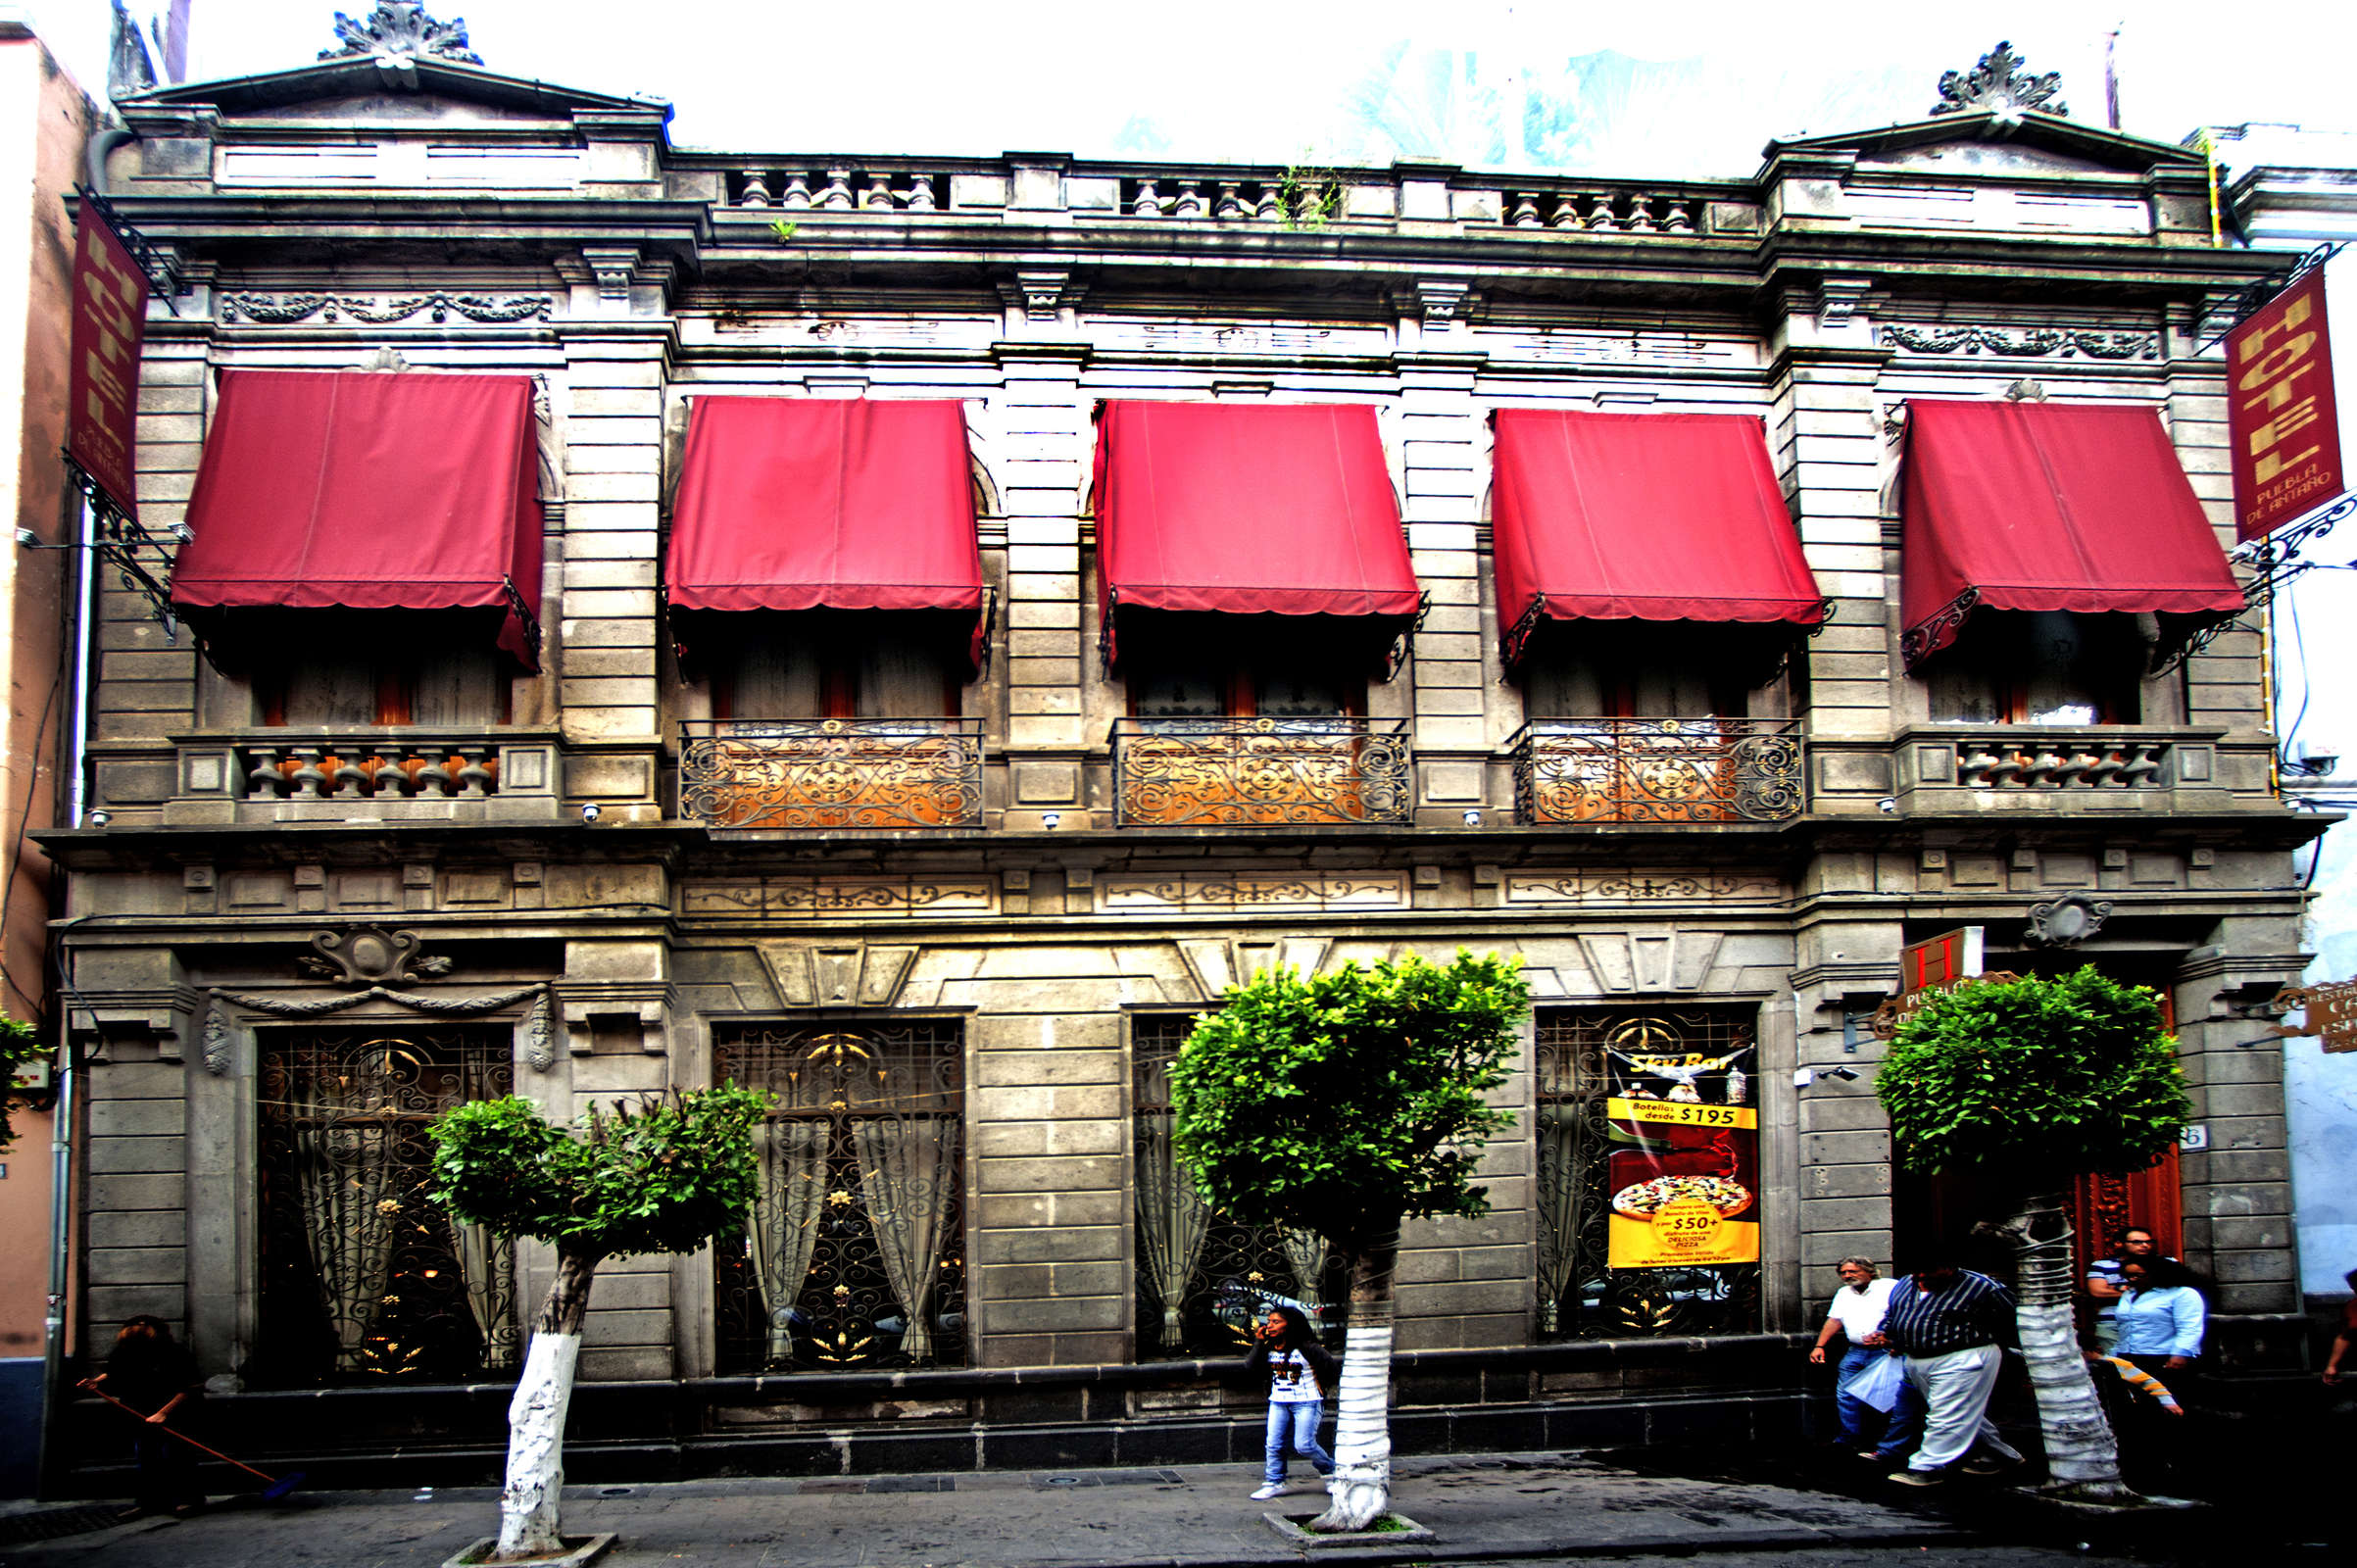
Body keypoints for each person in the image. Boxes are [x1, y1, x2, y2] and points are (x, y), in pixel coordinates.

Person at [1877, 1248, 2024, 1488]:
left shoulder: (1983, 1286)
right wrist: (1887, 1333)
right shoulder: (1906, 1283)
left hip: (1964, 1356)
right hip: (1917, 1357)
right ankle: (2002, 1456)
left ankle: (1927, 1467)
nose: (1922, 1279)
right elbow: (1894, 1313)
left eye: (1929, 1272)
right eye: (1918, 1273)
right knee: (1955, 1409)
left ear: (1949, 1268)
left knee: (1945, 1414)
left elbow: (2011, 1316)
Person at [78, 1316, 204, 1517]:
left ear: (152, 1329)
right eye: (129, 1327)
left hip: (174, 1413)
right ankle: (150, 1503)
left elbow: (189, 1386)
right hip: (139, 1412)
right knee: (147, 1458)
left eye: (138, 1327)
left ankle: (188, 1500)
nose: (132, 1330)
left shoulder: (174, 1352)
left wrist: (163, 1413)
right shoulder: (124, 1351)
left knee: (178, 1456)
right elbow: (113, 1374)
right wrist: (96, 1383)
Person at [1241, 1305, 1338, 1502]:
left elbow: (1331, 1370)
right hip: (1278, 1401)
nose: (1270, 1325)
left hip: (1307, 1401)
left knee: (1304, 1445)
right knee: (1274, 1444)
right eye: (1269, 1322)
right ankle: (1275, 1482)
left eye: (1276, 1322)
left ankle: (1331, 1471)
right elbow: (1250, 1367)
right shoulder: (1268, 1346)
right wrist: (1259, 1342)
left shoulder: (1309, 1348)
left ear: (1289, 1324)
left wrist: (1320, 1390)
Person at [1809, 1256, 1899, 1449]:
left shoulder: (1890, 1287)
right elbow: (1834, 1320)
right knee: (1847, 1394)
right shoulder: (1844, 1293)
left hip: (1885, 1351)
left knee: (1887, 1397)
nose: (1847, 1276)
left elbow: (1905, 1313)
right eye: (1843, 1273)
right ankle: (1850, 1439)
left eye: (1853, 1271)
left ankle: (1886, 1443)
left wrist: (1891, 1337)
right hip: (1856, 1351)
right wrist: (1820, 1346)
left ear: (1869, 1271)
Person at [2086, 1227, 2171, 1351]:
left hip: (2154, 1322)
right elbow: (2097, 1292)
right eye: (2137, 1242)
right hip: (2112, 1322)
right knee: (2115, 1364)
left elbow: (2172, 1291)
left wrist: (2116, 1288)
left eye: (2148, 1242)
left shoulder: (2166, 1263)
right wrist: (2145, 1291)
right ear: (2119, 1243)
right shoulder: (2102, 1265)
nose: (2145, 1245)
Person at [2325, 1267, 2357, 1385]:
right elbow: (2345, 1336)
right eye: (2353, 1288)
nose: (2354, 1290)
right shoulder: (2352, 1307)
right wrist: (2331, 1366)